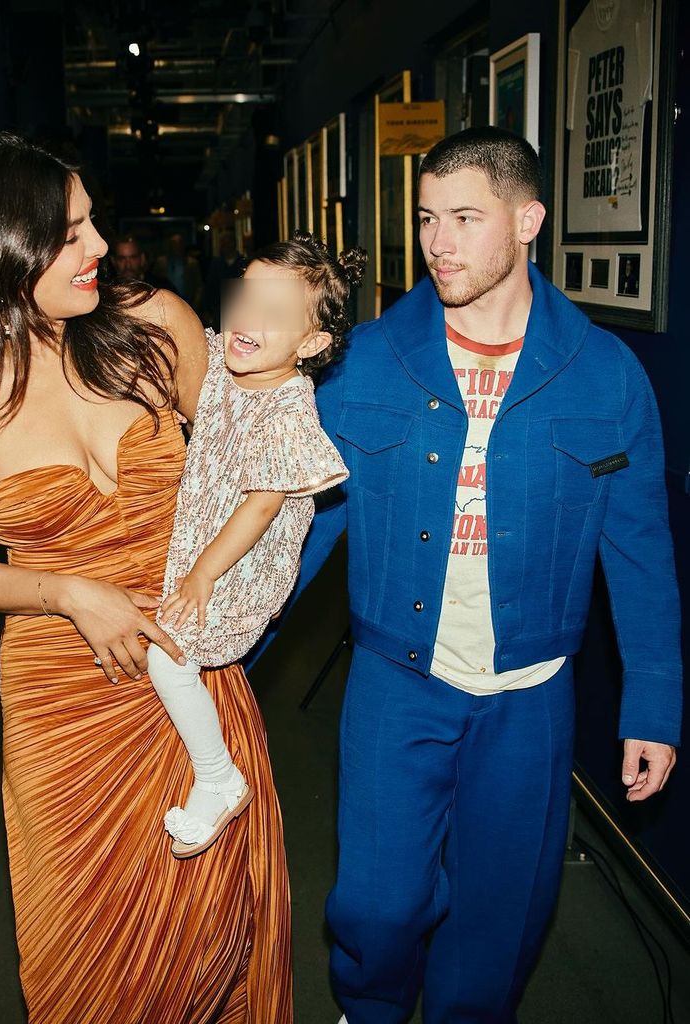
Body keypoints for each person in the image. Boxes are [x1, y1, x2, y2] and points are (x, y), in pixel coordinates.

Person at [0, 132, 292, 1024]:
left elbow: (256, 457)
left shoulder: (157, 328)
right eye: (72, 233)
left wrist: (245, 586)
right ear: (1, 250)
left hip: (191, 663)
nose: (102, 246)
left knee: (217, 919)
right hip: (66, 692)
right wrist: (67, 589)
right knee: (93, 937)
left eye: (92, 223)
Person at [291, 127, 682, 1024]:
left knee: (500, 922)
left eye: (465, 218)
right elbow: (301, 527)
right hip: (397, 680)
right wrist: (221, 641)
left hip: (530, 695)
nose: (438, 243)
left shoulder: (606, 378)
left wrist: (652, 707)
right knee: (377, 907)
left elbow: (640, 556)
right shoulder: (366, 363)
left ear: (528, 219)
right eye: (429, 218)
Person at [148, 231, 364, 858]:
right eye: (245, 300)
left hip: (240, 568)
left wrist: (203, 576)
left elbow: (263, 504)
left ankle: (218, 777)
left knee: (168, 658)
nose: (247, 321)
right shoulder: (225, 363)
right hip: (204, 545)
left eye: (273, 316)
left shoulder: (288, 406)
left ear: (312, 344)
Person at [202, 228, 244, 328]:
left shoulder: (242, 262)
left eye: (227, 242)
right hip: (219, 310)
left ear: (233, 243)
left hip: (239, 308)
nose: (224, 246)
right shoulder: (216, 263)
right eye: (222, 243)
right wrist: (207, 309)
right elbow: (210, 287)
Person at [154, 232, 204, 311]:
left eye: (179, 244)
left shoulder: (192, 263)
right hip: (165, 304)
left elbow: (198, 286)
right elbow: (153, 282)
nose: (177, 247)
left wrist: (195, 306)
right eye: (174, 244)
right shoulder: (161, 262)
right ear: (170, 246)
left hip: (187, 304)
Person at [109, 232, 175, 290]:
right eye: (122, 259)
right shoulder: (107, 290)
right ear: (113, 261)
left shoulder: (161, 287)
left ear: (142, 258)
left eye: (133, 258)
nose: (128, 265)